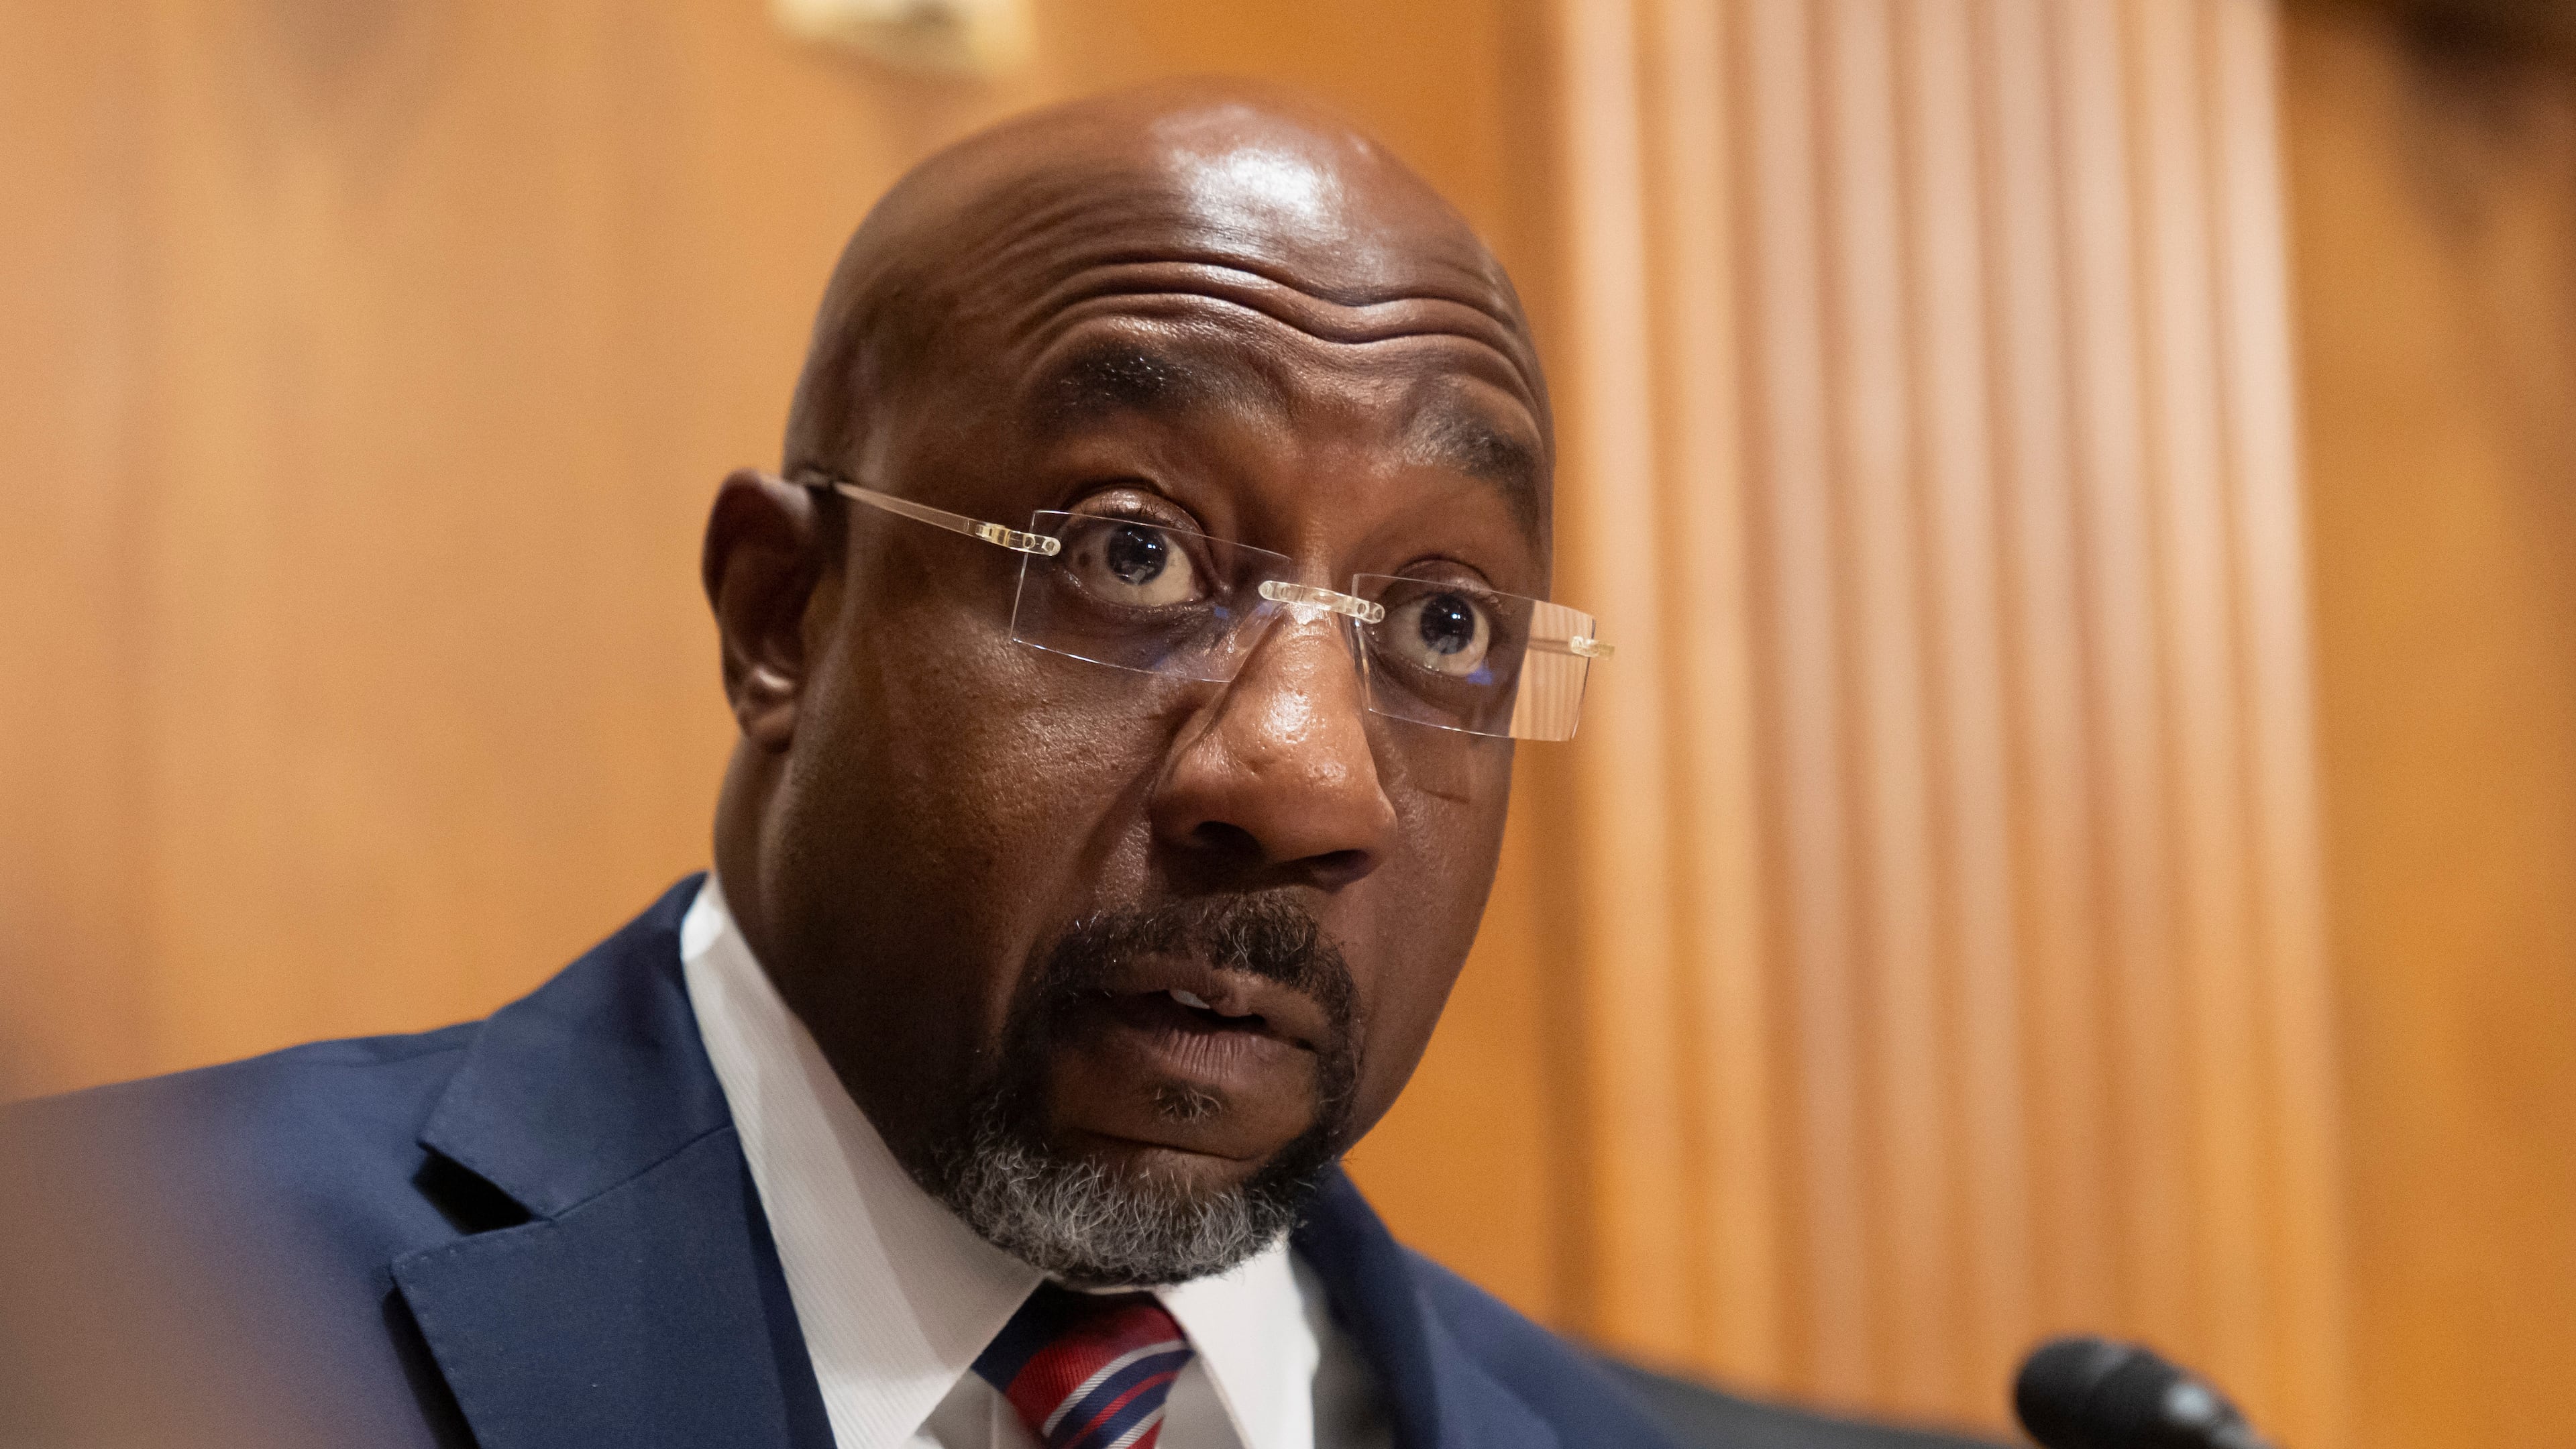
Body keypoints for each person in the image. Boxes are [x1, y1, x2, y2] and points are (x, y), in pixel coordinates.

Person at [0, 81, 1992, 1449]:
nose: (1308, 780)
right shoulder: (113, 1315)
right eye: (1132, 555)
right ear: (784, 613)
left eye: (1442, 628)